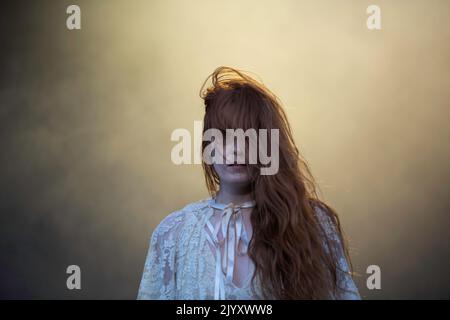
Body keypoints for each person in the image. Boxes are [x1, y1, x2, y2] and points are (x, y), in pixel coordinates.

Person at [137, 66, 360, 300]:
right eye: (222, 136)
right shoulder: (173, 233)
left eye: (248, 136)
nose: (235, 149)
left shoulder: (312, 223)